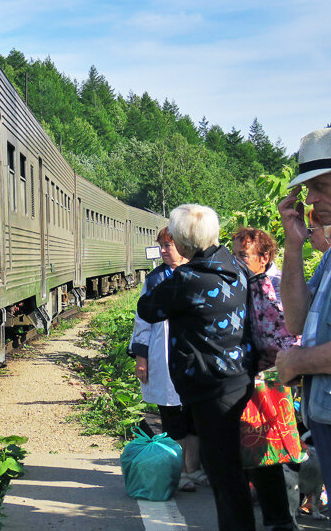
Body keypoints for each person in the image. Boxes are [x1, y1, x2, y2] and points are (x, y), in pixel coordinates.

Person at [137, 203, 255, 531]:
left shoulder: (189, 278)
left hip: (208, 384)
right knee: (230, 469)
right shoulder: (235, 266)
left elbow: (148, 308)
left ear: (185, 240)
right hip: (238, 378)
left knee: (223, 474)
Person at [232, 227, 302, 531]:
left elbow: (295, 332)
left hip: (285, 379)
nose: (238, 262)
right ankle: (277, 516)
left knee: (283, 450)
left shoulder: (280, 284)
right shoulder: (243, 283)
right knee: (261, 447)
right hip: (258, 378)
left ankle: (289, 515)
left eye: (243, 255)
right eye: (235, 255)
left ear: (265, 256)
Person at [276, 127, 331, 497]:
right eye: (309, 188)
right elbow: (296, 320)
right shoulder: (329, 258)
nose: (310, 199)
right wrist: (293, 246)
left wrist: (299, 361)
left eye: (321, 186)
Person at [129, 227, 205, 492]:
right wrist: (141, 357)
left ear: (183, 245)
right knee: (172, 414)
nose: (162, 251)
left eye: (167, 246)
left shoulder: (199, 273)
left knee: (194, 413)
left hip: (195, 355)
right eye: (160, 245)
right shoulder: (155, 279)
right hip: (163, 355)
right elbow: (142, 321)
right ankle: (179, 471)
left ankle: (194, 468)